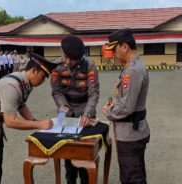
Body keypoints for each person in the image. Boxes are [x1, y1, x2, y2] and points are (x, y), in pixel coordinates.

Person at [0, 52, 59, 184]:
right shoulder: (12, 85)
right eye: (42, 77)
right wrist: (39, 125)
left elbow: (21, 104)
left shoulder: (25, 82)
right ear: (33, 71)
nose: (43, 81)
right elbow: (10, 121)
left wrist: (35, 121)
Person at [102, 28, 150, 184]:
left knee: (131, 177)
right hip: (131, 132)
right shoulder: (132, 66)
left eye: (114, 49)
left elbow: (127, 108)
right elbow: (126, 99)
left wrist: (109, 112)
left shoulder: (133, 70)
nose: (112, 54)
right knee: (135, 173)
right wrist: (115, 103)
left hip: (130, 134)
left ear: (124, 47)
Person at [50, 35, 100, 184]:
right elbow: (56, 91)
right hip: (65, 109)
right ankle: (70, 179)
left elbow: (93, 93)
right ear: (62, 53)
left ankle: (86, 179)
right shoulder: (56, 66)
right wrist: (62, 105)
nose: (69, 62)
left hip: (85, 109)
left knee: (85, 152)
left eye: (73, 59)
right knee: (67, 149)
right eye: (66, 58)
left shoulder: (90, 65)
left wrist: (87, 113)